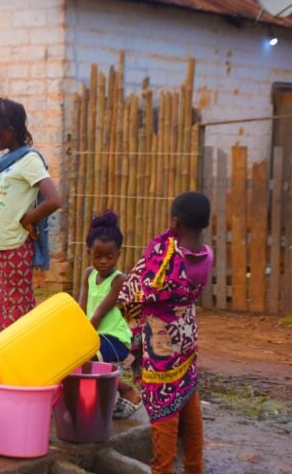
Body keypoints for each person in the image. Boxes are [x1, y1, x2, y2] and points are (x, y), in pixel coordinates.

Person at [118, 192, 214, 474]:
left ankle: (163, 469)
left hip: (162, 344)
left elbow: (136, 290)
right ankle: (194, 466)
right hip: (186, 338)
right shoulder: (206, 256)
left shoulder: (167, 256)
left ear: (175, 221)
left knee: (163, 409)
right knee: (187, 397)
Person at [0, 98, 61, 334]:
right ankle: (13, 362)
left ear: (9, 131)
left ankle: (11, 364)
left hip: (14, 250)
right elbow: (1, 214)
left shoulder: (29, 160)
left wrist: (27, 219)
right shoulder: (4, 164)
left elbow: (54, 200)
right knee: (6, 308)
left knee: (13, 315)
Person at [77, 211, 142, 419]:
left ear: (119, 255)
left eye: (109, 256)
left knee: (83, 359)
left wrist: (79, 342)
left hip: (115, 339)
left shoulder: (119, 280)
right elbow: (81, 308)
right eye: (98, 256)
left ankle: (126, 391)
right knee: (77, 359)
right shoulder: (89, 274)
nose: (103, 261)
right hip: (95, 335)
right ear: (89, 253)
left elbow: (97, 315)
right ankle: (108, 396)